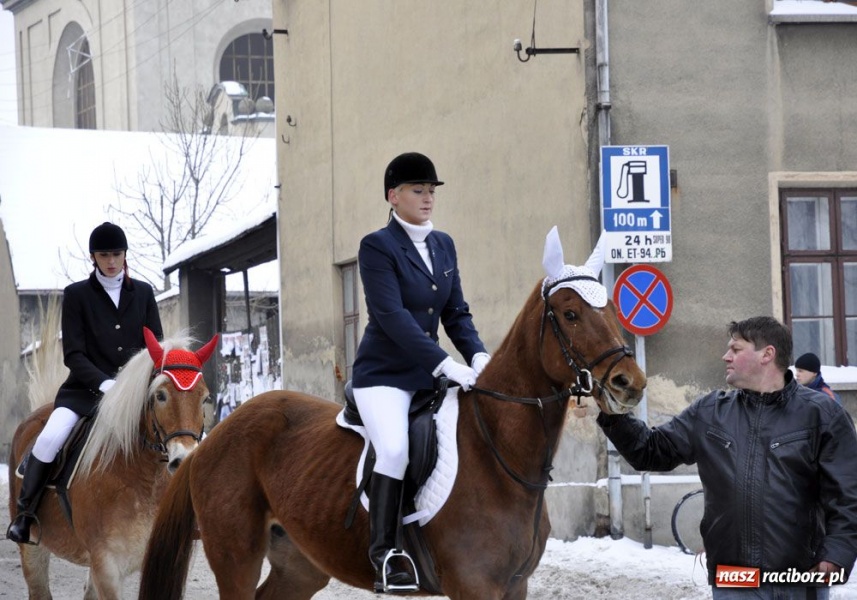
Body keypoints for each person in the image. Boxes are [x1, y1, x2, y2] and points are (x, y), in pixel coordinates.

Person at [597, 317, 857, 599]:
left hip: (799, 579)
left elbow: (847, 494)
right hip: (734, 579)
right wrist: (613, 412)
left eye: (736, 349)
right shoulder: (710, 412)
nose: (726, 356)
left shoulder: (822, 414)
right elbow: (650, 451)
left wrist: (836, 554)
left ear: (767, 354)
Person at [351, 152, 490, 593]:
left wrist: (479, 357)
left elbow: (456, 312)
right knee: (394, 450)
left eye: (431, 191)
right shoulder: (377, 246)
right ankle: (385, 555)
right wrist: (446, 363)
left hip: (429, 377)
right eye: (418, 190)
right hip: (384, 375)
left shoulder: (443, 244)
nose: (428, 198)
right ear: (393, 196)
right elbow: (392, 317)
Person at [6, 222, 163, 545]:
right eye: (104, 255)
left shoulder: (144, 293)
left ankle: (182, 512)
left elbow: (155, 348)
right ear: (93, 257)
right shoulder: (77, 295)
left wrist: (138, 386)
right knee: (49, 439)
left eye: (116, 254)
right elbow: (74, 354)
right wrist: (105, 384)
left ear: (125, 254)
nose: (111, 261)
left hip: (135, 397)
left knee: (175, 437)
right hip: (84, 393)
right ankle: (26, 515)